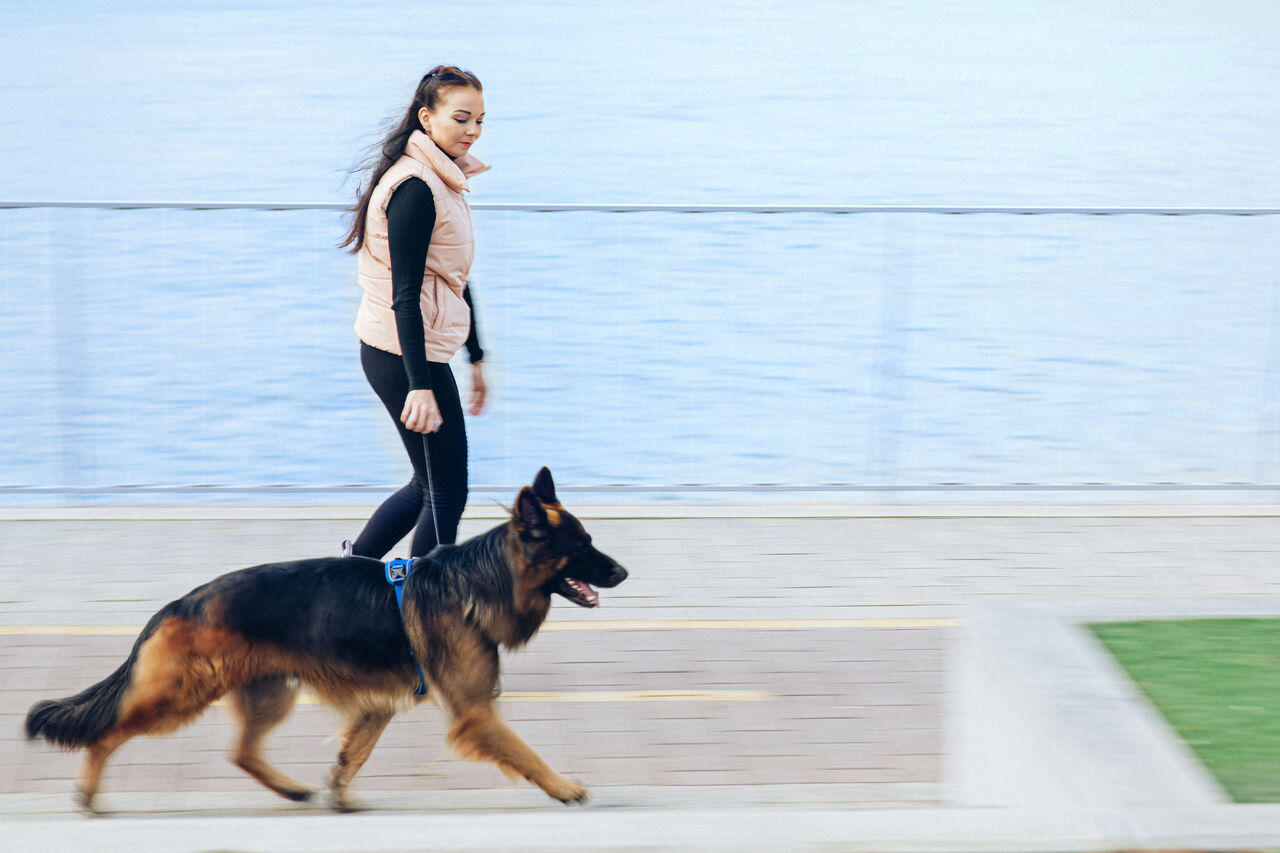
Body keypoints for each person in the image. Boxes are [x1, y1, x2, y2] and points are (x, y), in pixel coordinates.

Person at [339, 65, 489, 559]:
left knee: (429, 485)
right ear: (427, 118)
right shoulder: (417, 188)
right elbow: (404, 294)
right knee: (446, 491)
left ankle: (351, 575)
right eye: (461, 118)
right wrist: (420, 383)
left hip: (412, 348)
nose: (472, 131)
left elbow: (454, 277)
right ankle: (423, 606)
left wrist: (477, 356)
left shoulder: (442, 179)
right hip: (400, 350)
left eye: (480, 121)